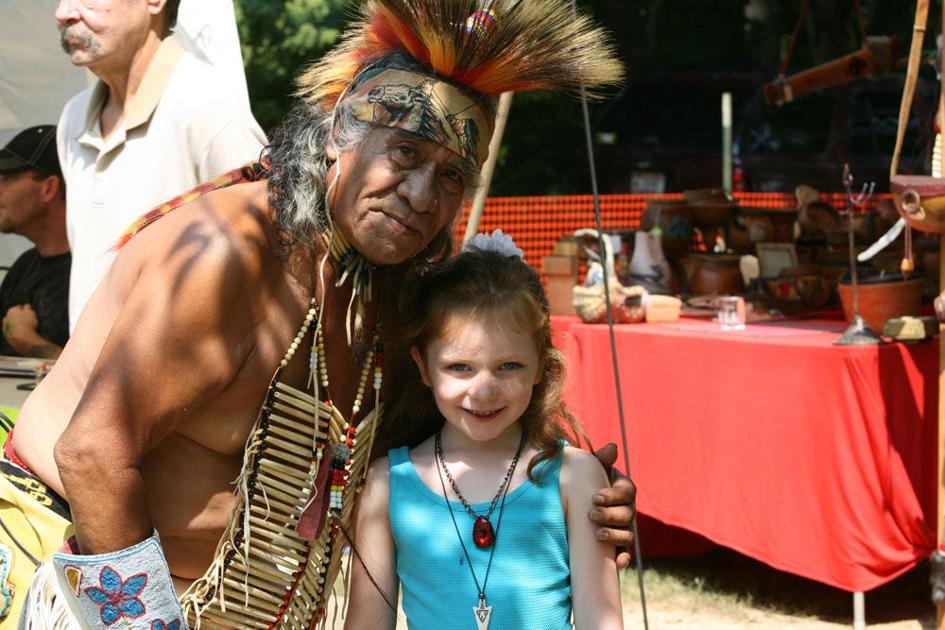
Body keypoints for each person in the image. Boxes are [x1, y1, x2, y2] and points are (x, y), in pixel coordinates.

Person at [6, 1, 632, 627]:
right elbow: (91, 455)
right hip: (73, 572)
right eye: (406, 154)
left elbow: (455, 431)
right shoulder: (228, 256)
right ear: (338, 137)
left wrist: (571, 493)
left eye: (450, 177)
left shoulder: (387, 288)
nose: (419, 195)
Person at [346, 232, 623, 629]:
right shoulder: (386, 484)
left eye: (509, 366)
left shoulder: (575, 479)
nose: (484, 389)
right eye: (460, 367)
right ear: (423, 366)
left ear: (542, 365)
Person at [55, 0, 266, 330]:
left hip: (177, 377)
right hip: (87, 376)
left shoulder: (210, 110)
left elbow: (265, 268)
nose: (63, 13)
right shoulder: (73, 117)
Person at [0, 125, 70, 359]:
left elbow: (100, 381)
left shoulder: (97, 271)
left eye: (7, 178)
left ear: (48, 188)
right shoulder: (25, 266)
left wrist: (26, 340)